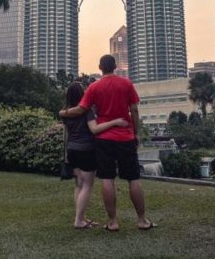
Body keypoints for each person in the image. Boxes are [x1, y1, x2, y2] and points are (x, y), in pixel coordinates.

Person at [60, 55, 155, 231]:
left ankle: (112, 222)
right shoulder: (126, 83)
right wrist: (136, 132)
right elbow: (134, 109)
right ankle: (142, 220)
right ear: (116, 66)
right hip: (125, 136)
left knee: (107, 178)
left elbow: (81, 109)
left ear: (100, 67)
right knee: (133, 178)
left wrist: (64, 113)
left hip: (103, 139)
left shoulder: (94, 87)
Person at [63, 81, 128, 229]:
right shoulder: (87, 110)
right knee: (87, 185)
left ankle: (81, 218)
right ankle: (79, 221)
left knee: (79, 185)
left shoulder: (66, 112)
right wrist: (115, 122)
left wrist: (66, 154)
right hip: (86, 150)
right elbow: (95, 129)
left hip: (72, 150)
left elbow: (66, 134)